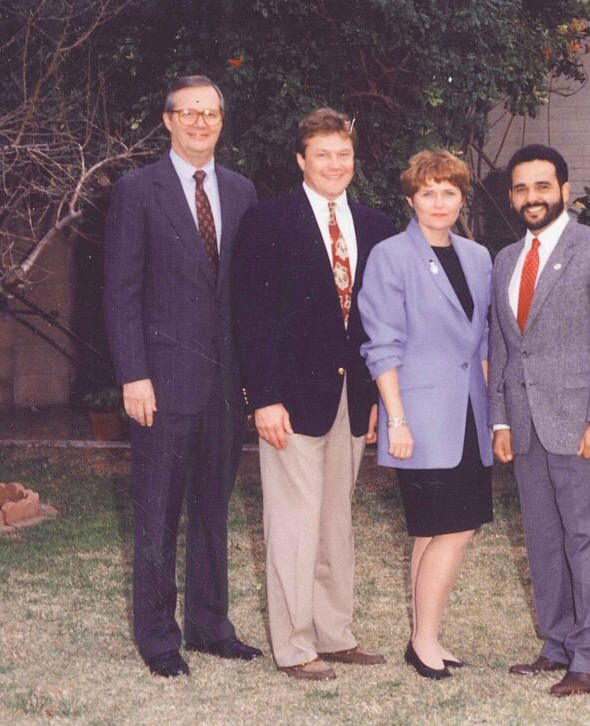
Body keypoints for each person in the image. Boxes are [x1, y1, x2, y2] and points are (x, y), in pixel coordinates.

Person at [104, 75, 262, 677]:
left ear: (222, 121)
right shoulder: (136, 190)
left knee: (213, 510)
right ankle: (157, 638)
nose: (200, 123)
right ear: (167, 120)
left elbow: (246, 294)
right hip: (162, 385)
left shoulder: (243, 191)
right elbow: (120, 292)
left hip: (224, 387)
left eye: (211, 114)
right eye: (188, 113)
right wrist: (133, 376)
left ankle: (210, 625)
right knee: (157, 512)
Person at [232, 107, 394, 681]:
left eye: (343, 154)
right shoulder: (267, 221)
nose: (334, 164)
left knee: (335, 523)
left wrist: (375, 398)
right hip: (290, 400)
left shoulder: (375, 226)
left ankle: (334, 631)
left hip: (352, 399)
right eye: (322, 154)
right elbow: (251, 316)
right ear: (301, 160)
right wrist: (263, 396)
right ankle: (296, 644)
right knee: (294, 523)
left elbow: (375, 321)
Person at [489, 144, 590, 697]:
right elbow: (504, 348)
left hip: (584, 428)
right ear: (512, 196)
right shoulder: (505, 259)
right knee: (545, 542)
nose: (533, 198)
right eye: (523, 188)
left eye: (543, 187)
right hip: (527, 428)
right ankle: (557, 644)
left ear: (565, 190)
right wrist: (500, 421)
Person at [358, 149, 494, 681]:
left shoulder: (479, 256)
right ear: (410, 198)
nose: (440, 202)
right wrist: (396, 420)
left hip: (468, 416)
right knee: (453, 529)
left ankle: (424, 636)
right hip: (417, 416)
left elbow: (480, 341)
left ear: (463, 198)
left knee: (434, 532)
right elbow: (382, 346)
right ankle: (425, 640)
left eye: (450, 192)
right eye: (428, 192)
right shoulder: (391, 256)